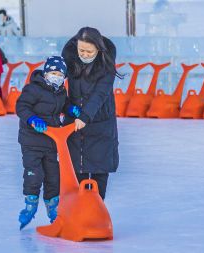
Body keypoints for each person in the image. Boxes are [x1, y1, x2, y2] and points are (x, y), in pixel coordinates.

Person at [62, 27, 121, 200]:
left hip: (100, 122)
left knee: (99, 170)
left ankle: (96, 211)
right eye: (81, 50)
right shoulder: (70, 59)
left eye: (89, 51)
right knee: (77, 169)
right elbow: (56, 80)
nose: (85, 54)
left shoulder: (106, 65)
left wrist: (85, 116)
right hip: (75, 124)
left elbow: (100, 94)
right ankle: (78, 212)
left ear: (98, 49)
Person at [16, 56, 68, 230]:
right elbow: (21, 106)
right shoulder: (33, 89)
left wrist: (71, 109)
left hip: (52, 142)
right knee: (34, 174)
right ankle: (30, 206)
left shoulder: (61, 92)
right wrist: (32, 119)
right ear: (46, 73)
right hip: (31, 141)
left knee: (54, 176)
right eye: (53, 72)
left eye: (60, 74)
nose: (57, 76)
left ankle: (53, 209)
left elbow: (64, 106)